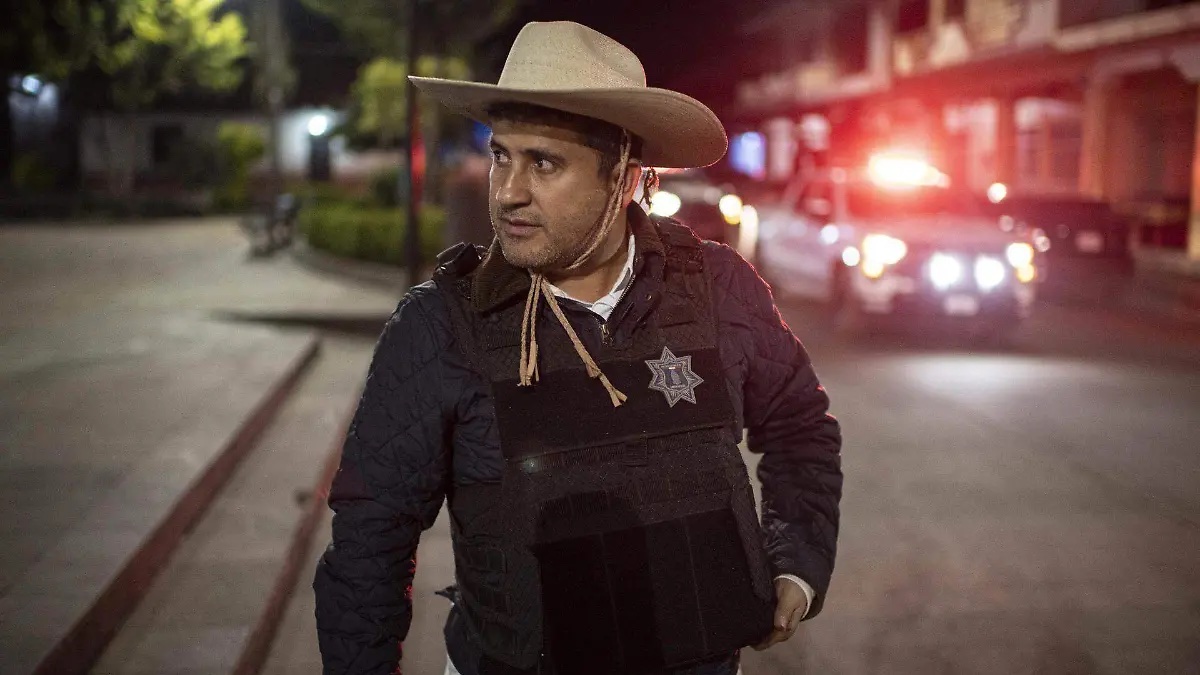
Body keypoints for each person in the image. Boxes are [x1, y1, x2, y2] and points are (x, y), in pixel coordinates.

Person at [314, 21, 843, 675]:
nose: (508, 190)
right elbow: (370, 537)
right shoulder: (439, 325)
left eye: (543, 163)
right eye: (501, 155)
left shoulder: (718, 288)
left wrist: (797, 562)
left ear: (624, 177)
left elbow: (799, 427)